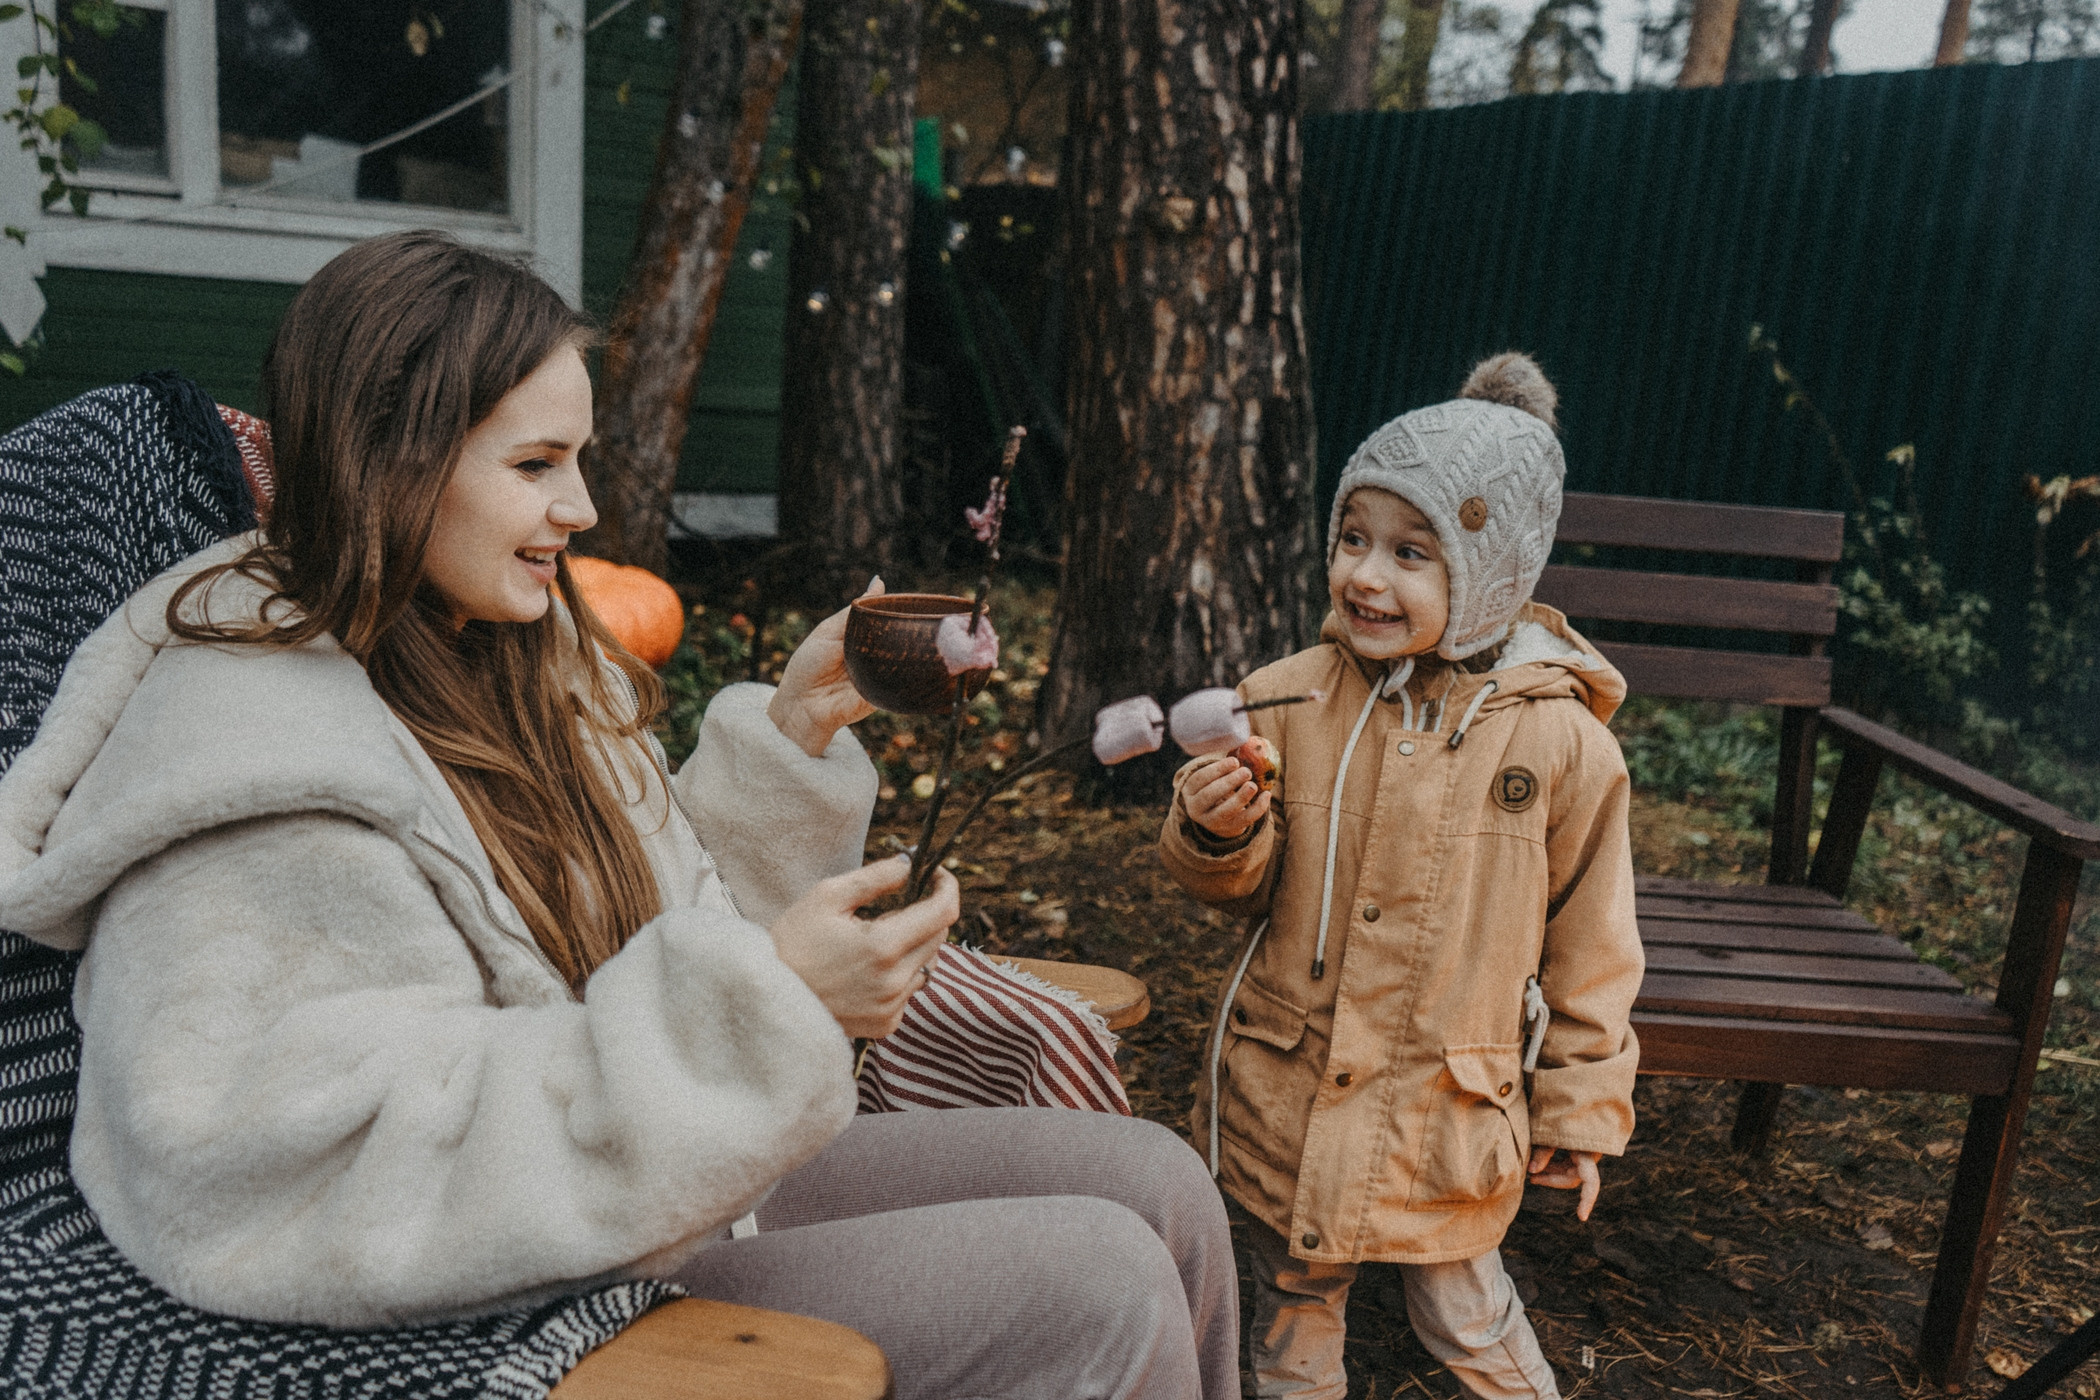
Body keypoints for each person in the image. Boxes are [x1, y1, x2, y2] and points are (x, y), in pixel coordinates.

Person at [0, 231, 1236, 1400]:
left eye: (579, 459)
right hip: (525, 1280)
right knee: (1099, 1281)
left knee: (1160, 1184)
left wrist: (791, 743)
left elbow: (647, 942)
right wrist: (762, 1008)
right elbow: (305, 1167)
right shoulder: (252, 752)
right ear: (388, 461)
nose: (582, 507)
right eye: (536, 465)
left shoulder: (510, 655)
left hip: (650, 1176)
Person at [1157, 354, 1644, 1400]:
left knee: (1462, 1303)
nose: (1367, 577)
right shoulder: (1289, 699)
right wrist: (1217, 832)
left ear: (1494, 570)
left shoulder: (1563, 745)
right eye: (1354, 538)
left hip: (1446, 1107)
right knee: (1292, 1296)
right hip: (1296, 1078)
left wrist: (1579, 1108)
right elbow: (1243, 889)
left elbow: (1593, 944)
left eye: (1412, 552)